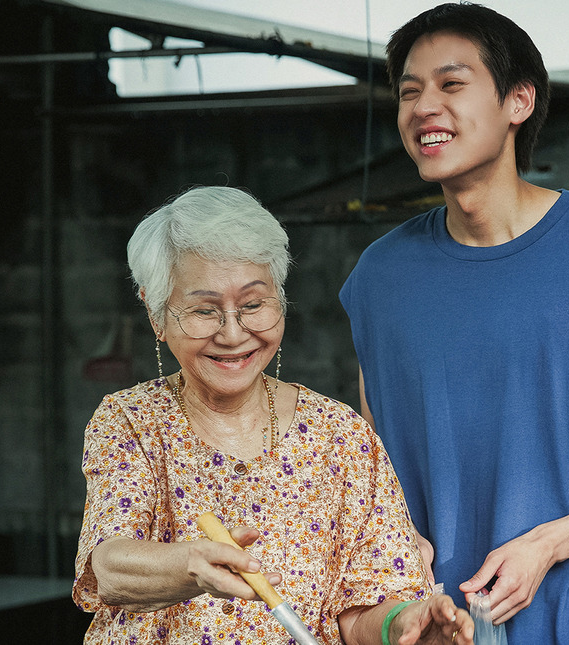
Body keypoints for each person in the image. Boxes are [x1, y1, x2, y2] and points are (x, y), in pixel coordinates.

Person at [339, 4, 569, 644]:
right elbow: (376, 464)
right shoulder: (381, 278)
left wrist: (551, 543)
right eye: (409, 92)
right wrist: (397, 544)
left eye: (451, 84)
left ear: (519, 101)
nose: (424, 107)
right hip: (436, 626)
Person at [73, 186, 474, 645]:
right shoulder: (130, 421)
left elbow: (363, 610)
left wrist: (403, 626)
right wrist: (191, 565)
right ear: (156, 314)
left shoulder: (340, 436)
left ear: (279, 300)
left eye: (252, 305)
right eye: (204, 310)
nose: (232, 333)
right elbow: (109, 569)